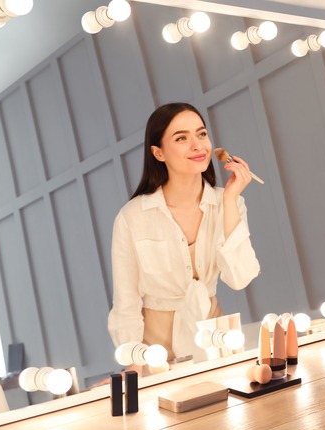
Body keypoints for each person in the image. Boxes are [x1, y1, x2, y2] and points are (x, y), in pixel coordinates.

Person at [108, 102, 260, 366]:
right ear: (158, 153)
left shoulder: (229, 202)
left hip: (216, 337)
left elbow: (240, 278)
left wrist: (231, 200)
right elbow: (126, 302)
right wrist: (134, 365)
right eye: (181, 138)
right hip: (154, 347)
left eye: (201, 134)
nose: (198, 145)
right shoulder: (132, 217)